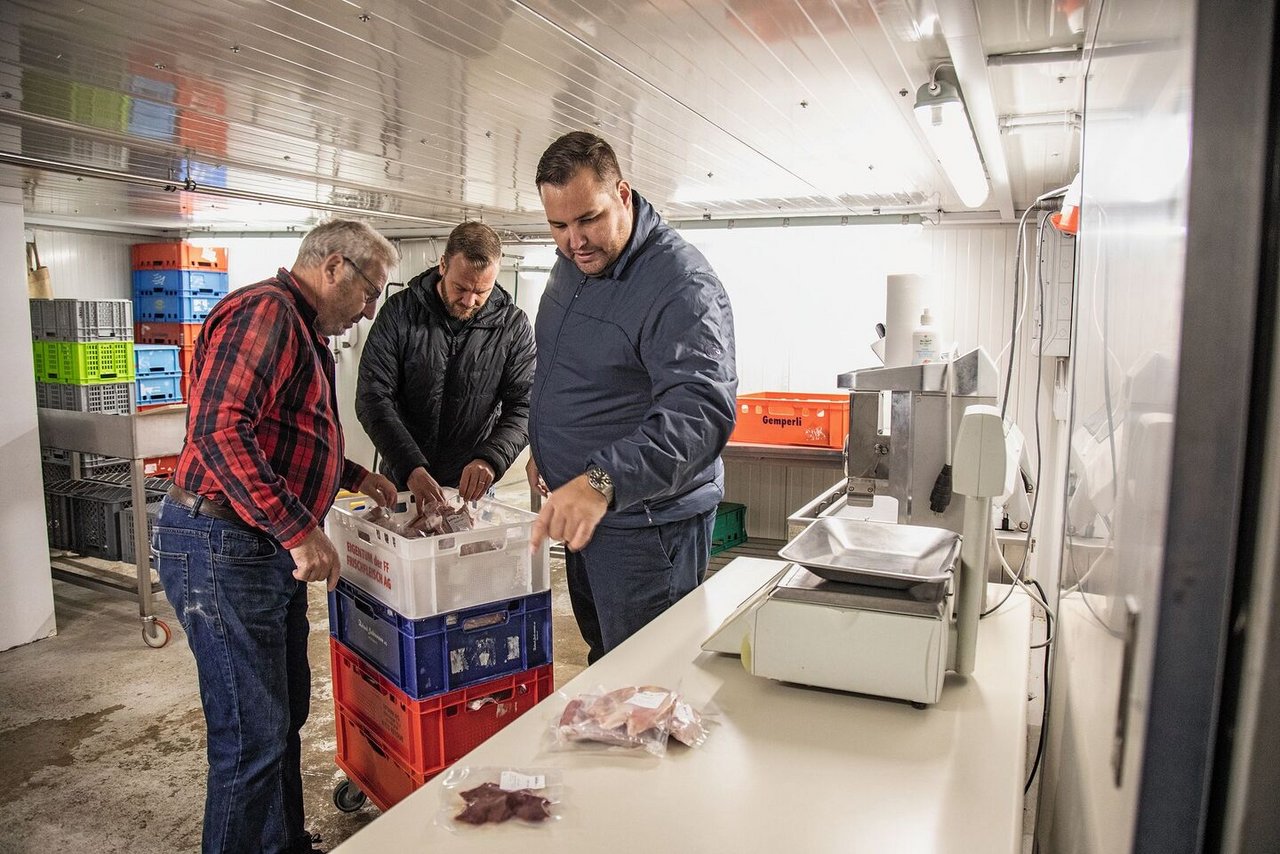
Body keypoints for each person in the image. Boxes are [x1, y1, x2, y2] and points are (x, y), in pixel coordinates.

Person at [153, 220, 399, 854]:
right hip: (224, 545)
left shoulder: (302, 327)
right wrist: (299, 530)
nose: (370, 310)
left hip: (255, 548)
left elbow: (281, 433)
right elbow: (219, 431)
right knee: (251, 737)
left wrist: (354, 475)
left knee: (281, 720)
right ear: (336, 267)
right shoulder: (268, 313)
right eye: (371, 292)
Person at [526, 131, 738, 663]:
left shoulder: (679, 284)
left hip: (646, 526)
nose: (575, 240)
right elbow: (571, 369)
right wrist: (546, 447)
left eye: (589, 218)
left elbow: (700, 413)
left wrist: (601, 480)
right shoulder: (575, 263)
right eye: (559, 225)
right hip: (587, 513)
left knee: (647, 678)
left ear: (623, 194)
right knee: (607, 662)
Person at [356, 221, 535, 507]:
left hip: (472, 491)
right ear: (442, 265)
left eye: (482, 291)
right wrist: (411, 467)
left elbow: (524, 406)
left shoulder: (513, 327)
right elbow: (373, 398)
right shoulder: (400, 313)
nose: (469, 300)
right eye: (460, 287)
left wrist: (491, 459)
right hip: (403, 482)